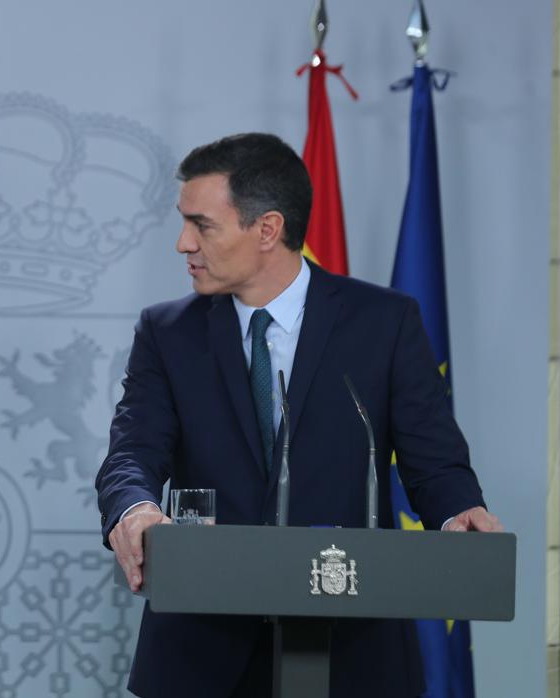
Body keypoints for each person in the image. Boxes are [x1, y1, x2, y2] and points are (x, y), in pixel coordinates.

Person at [94, 133, 501, 698]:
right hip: (202, 659)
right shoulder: (168, 334)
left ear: (267, 229)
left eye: (202, 224)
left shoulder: (383, 323)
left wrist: (460, 511)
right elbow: (133, 451)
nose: (183, 243)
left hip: (355, 652)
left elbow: (435, 463)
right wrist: (135, 508)